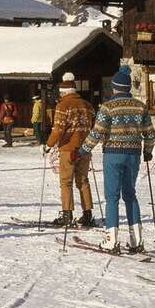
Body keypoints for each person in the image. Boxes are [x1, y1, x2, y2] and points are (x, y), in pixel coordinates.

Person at [83, 66, 155, 252]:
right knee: (130, 195)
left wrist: (83, 150)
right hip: (133, 155)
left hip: (113, 155)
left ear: (115, 87)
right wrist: (148, 151)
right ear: (128, 87)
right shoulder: (140, 107)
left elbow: (97, 132)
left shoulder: (107, 107)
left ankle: (111, 239)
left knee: (112, 197)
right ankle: (136, 240)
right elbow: (150, 133)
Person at [47, 73, 95, 228]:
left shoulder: (63, 105)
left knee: (66, 182)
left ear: (64, 92)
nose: (60, 95)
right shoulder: (87, 105)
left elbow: (58, 129)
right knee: (83, 181)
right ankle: (87, 214)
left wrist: (49, 144)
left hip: (68, 148)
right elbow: (94, 125)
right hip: (85, 148)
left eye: (61, 92)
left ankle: (67, 214)